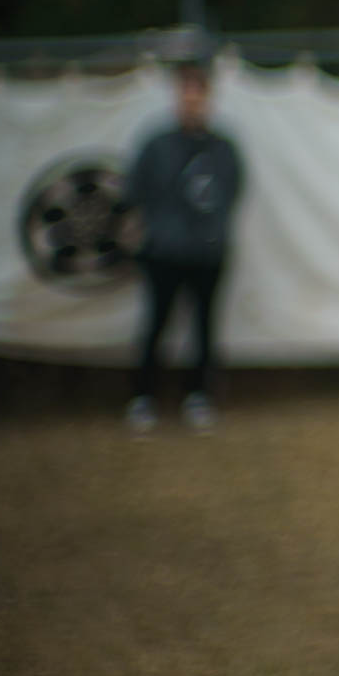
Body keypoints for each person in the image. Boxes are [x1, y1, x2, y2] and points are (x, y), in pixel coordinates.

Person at [124, 60, 246, 433]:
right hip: (163, 253)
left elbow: (234, 191)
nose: (192, 101)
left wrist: (214, 231)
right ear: (177, 96)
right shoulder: (156, 144)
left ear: (207, 98)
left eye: (199, 93)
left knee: (204, 329)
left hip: (208, 254)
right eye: (186, 93)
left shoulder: (224, 148)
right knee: (156, 325)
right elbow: (135, 192)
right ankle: (144, 398)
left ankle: (198, 396)